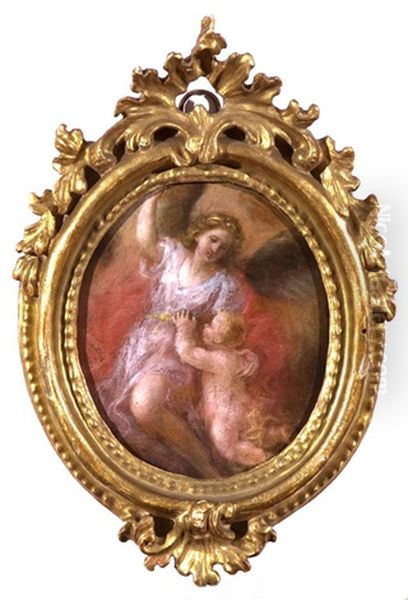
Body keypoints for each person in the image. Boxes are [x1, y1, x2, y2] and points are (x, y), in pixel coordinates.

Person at [99, 193, 245, 478]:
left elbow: (226, 331)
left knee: (145, 405)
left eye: (223, 246)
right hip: (142, 345)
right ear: (199, 234)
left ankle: (206, 469)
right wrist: (151, 197)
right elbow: (145, 240)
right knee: (132, 415)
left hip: (179, 353)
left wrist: (236, 356)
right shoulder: (174, 255)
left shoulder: (223, 285)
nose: (215, 249)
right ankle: (180, 472)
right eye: (213, 239)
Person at [173, 310, 290, 471]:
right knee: (250, 434)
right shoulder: (238, 357)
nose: (205, 326)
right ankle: (277, 433)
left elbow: (186, 353)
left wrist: (184, 329)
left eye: (211, 326)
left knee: (228, 448)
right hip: (242, 407)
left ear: (218, 338)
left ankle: (261, 458)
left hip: (224, 414)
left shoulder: (217, 360)